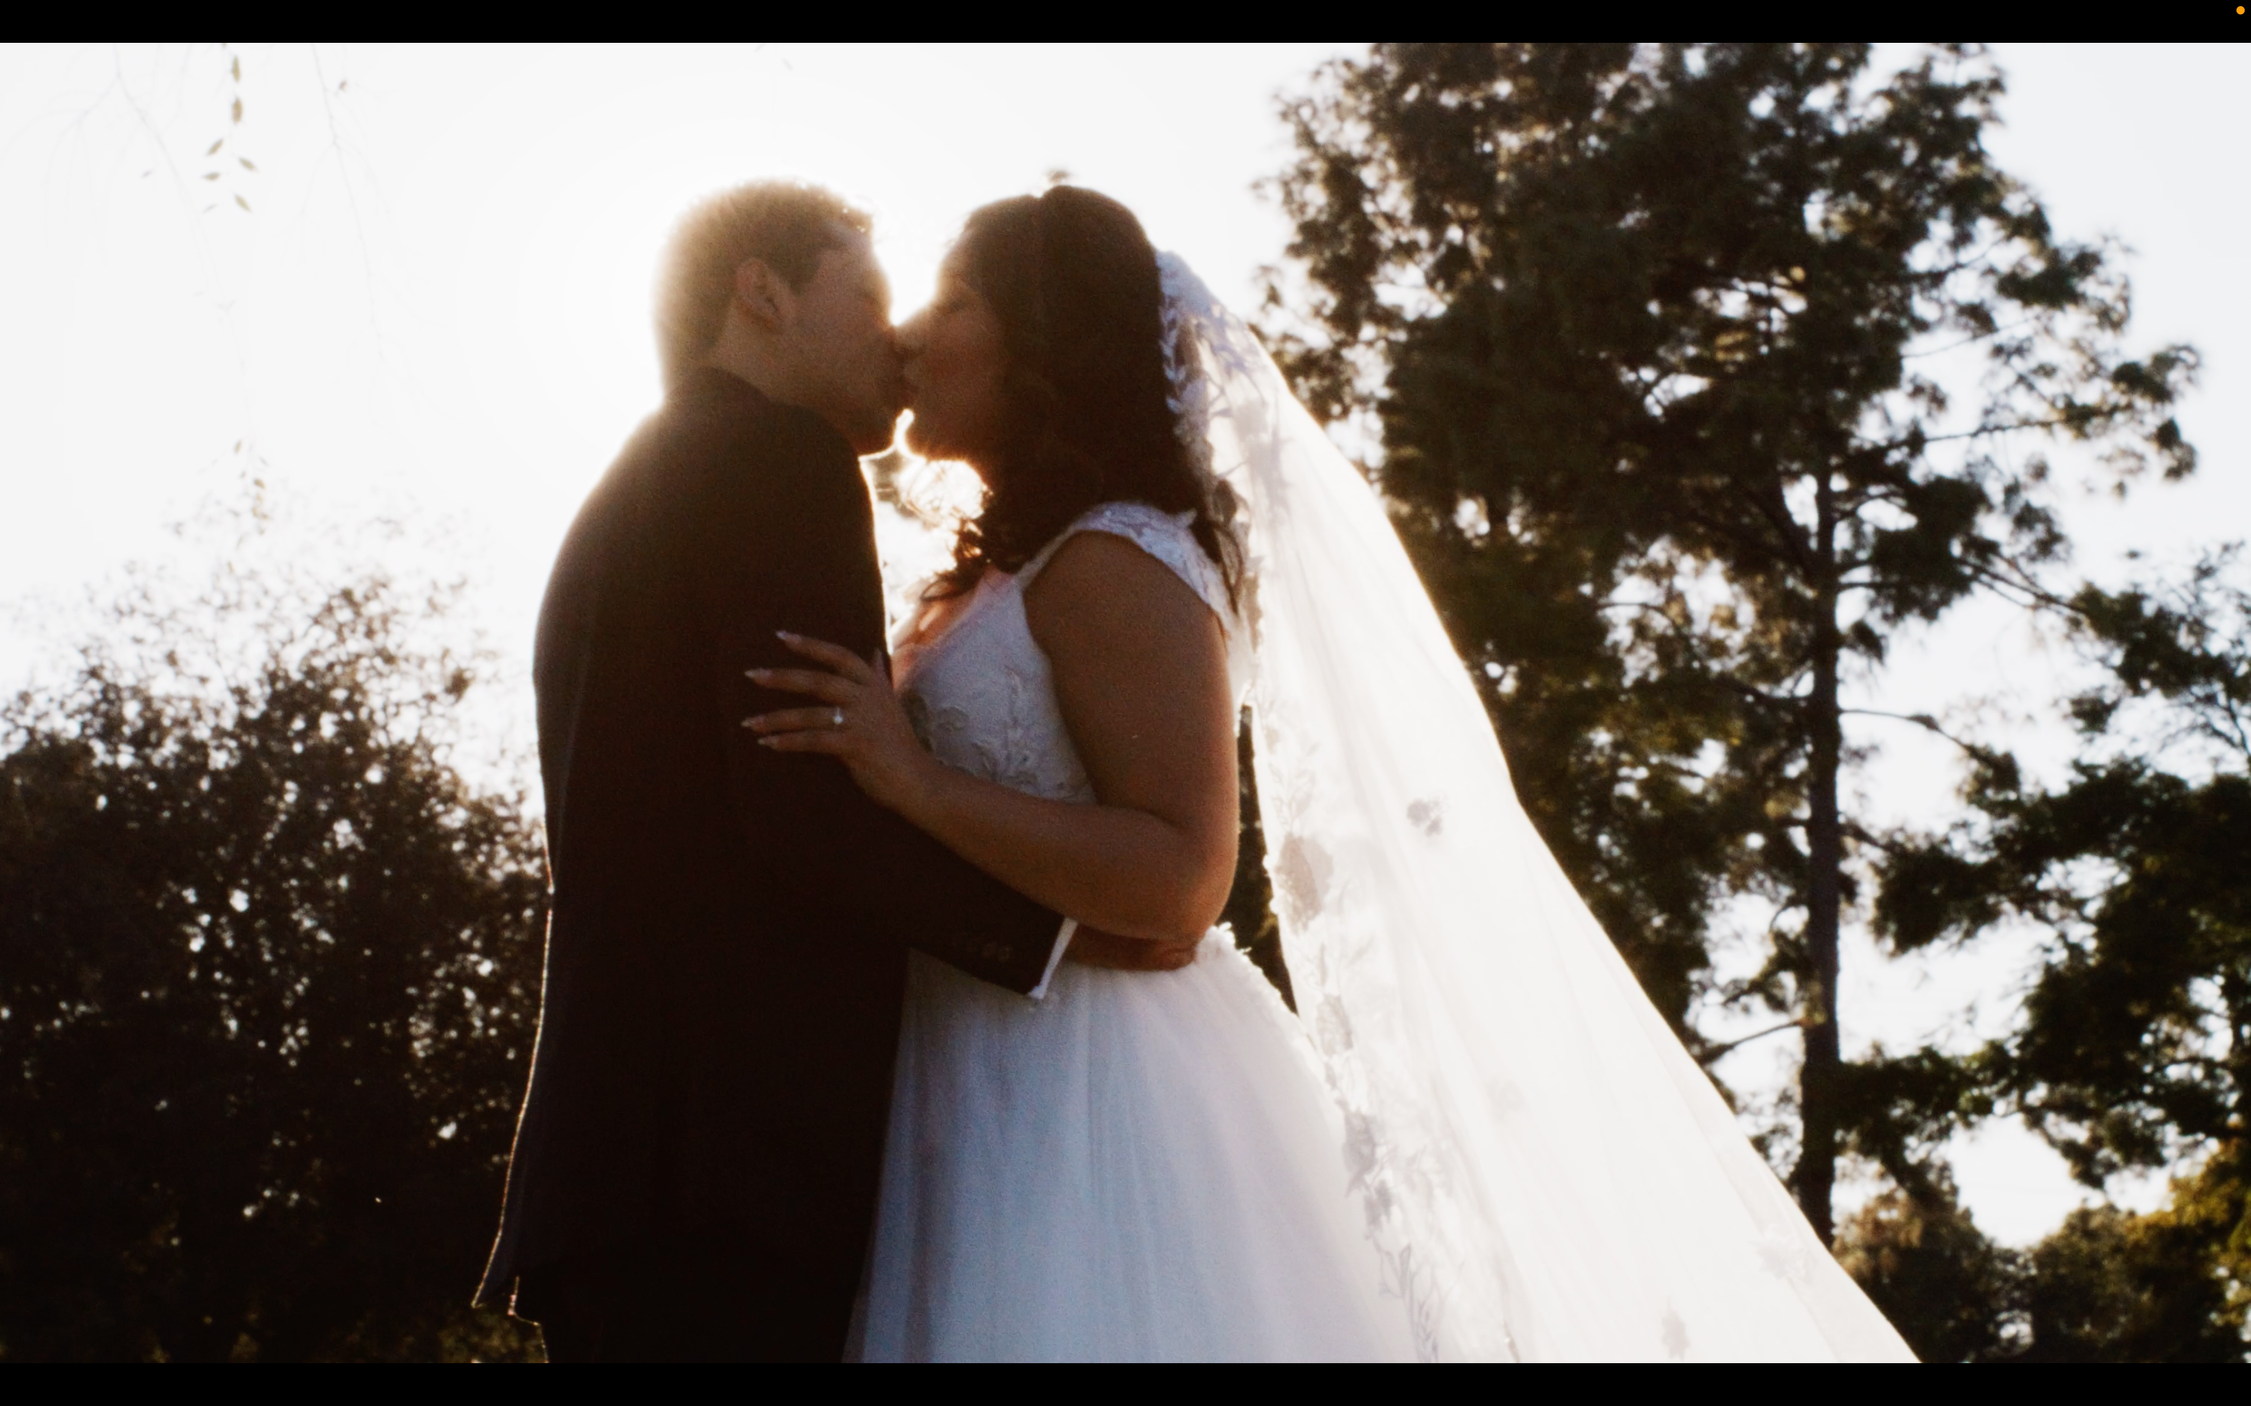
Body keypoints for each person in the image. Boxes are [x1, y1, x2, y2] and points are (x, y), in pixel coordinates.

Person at [749, 186, 1917, 1361]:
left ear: (1042, 344)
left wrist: (918, 783)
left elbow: (1184, 872)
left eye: (951, 297)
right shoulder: (1001, 570)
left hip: (1094, 1098)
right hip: (963, 1063)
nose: (909, 332)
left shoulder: (1111, 560)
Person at [475, 182, 1192, 1363]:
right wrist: (1055, 938)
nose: (898, 335)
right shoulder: (778, 459)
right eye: (866, 293)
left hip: (624, 1163)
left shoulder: (631, 489)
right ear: (760, 292)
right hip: (726, 1170)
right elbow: (801, 805)